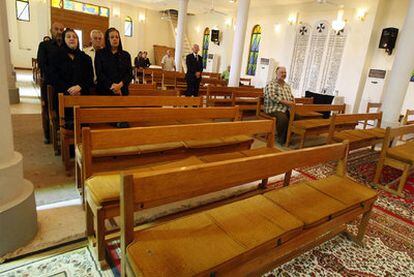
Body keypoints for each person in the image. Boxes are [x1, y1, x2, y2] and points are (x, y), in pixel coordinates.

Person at [48, 28, 94, 129]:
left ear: (78, 41)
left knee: (84, 123)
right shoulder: (56, 56)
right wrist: (69, 90)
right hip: (63, 95)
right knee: (71, 124)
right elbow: (53, 77)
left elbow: (90, 78)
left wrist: (80, 87)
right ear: (64, 40)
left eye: (74, 37)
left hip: (82, 95)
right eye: (68, 37)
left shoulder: (85, 58)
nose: (72, 39)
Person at [36, 22, 64, 144]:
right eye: (56, 29)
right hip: (50, 84)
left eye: (61, 30)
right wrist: (56, 78)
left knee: (62, 109)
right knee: (48, 108)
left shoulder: (66, 46)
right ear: (51, 30)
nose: (59, 31)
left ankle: (62, 131)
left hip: (64, 84)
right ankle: (47, 134)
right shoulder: (44, 45)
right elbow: (42, 64)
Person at [95, 27, 132, 96]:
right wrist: (112, 86)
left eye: (117, 37)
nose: (115, 39)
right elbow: (99, 73)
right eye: (112, 37)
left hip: (122, 91)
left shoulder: (126, 55)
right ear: (108, 39)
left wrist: (120, 85)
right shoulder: (100, 53)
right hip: (104, 91)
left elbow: (129, 74)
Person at [263, 66, 295, 145]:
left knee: (297, 117)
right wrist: (288, 103)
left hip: (285, 109)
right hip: (273, 108)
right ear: (276, 73)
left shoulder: (287, 86)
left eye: (285, 72)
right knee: (283, 119)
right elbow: (272, 96)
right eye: (282, 72)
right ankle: (281, 139)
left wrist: (293, 101)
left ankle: (287, 136)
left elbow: (291, 96)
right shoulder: (271, 84)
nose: (284, 74)